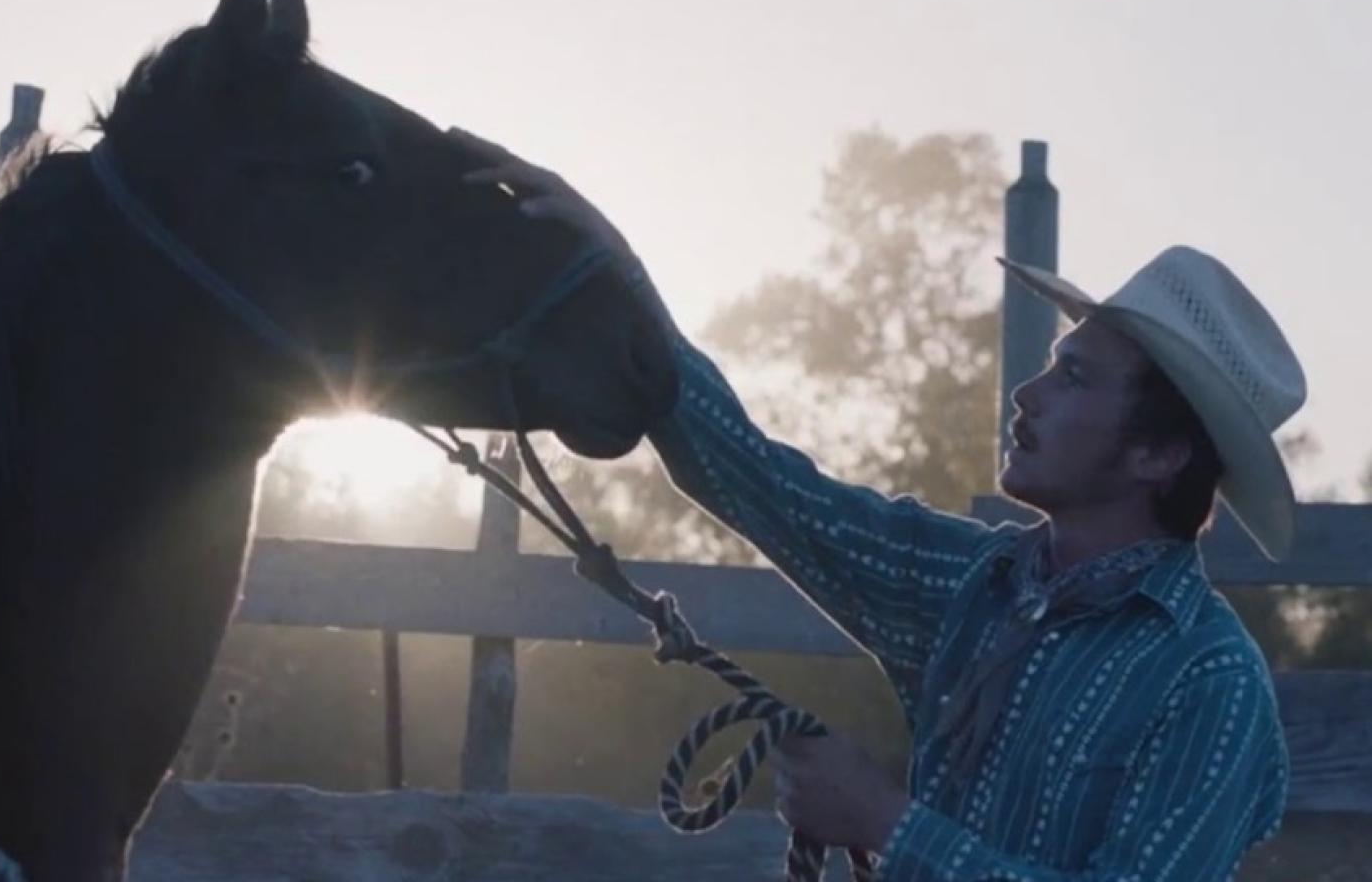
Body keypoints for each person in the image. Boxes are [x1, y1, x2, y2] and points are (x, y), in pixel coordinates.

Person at [451, 128, 1301, 880]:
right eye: (1050, 364)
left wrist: (885, 824)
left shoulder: (1211, 680)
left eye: (1073, 377)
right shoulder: (975, 583)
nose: (1028, 394)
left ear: (1159, 453)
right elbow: (774, 492)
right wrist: (620, 278)